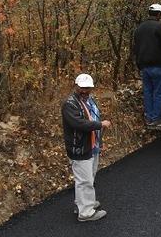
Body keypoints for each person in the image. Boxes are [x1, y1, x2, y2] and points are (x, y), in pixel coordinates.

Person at [62, 73, 111, 221]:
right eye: (81, 88)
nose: (84, 90)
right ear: (76, 86)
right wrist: (100, 124)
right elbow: (78, 123)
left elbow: (93, 116)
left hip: (91, 144)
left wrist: (99, 140)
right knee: (85, 180)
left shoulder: (89, 100)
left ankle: (82, 203)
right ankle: (86, 212)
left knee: (89, 177)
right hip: (80, 147)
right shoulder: (70, 104)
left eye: (87, 88)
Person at [133, 3, 161, 127]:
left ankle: (149, 117)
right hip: (158, 65)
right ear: (159, 14)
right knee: (159, 92)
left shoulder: (139, 28)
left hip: (144, 66)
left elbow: (135, 48)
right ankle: (156, 117)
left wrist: (138, 64)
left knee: (148, 91)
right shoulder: (160, 26)